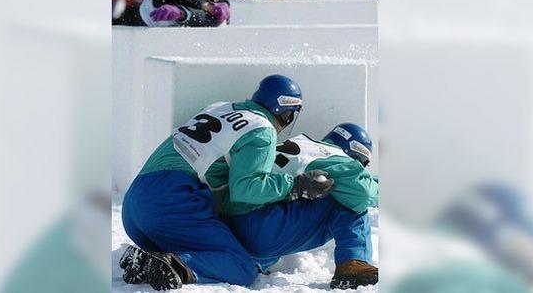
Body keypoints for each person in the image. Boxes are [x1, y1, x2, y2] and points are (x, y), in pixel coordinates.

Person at [119, 75, 335, 289]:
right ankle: (175, 265)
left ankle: (150, 261)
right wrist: (296, 186)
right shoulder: (262, 130)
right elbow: (247, 188)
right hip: (171, 200)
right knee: (240, 266)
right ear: (285, 112)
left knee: (202, 245)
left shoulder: (220, 107)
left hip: (134, 206)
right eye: (291, 116)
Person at [221, 122, 379, 290]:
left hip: (232, 225)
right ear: (356, 153)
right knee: (350, 198)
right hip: (261, 227)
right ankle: (353, 264)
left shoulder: (303, 145)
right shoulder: (333, 155)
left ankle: (258, 261)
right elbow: (363, 193)